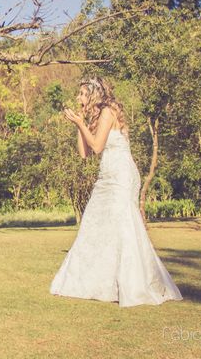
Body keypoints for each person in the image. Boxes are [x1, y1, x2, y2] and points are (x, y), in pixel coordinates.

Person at [49, 77, 182, 307]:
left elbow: (98, 146)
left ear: (92, 95)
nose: (78, 98)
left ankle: (133, 284)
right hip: (106, 176)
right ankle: (101, 283)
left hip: (121, 175)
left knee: (123, 226)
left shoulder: (109, 112)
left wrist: (80, 124)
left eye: (82, 94)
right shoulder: (95, 117)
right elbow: (85, 154)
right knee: (95, 222)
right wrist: (79, 124)